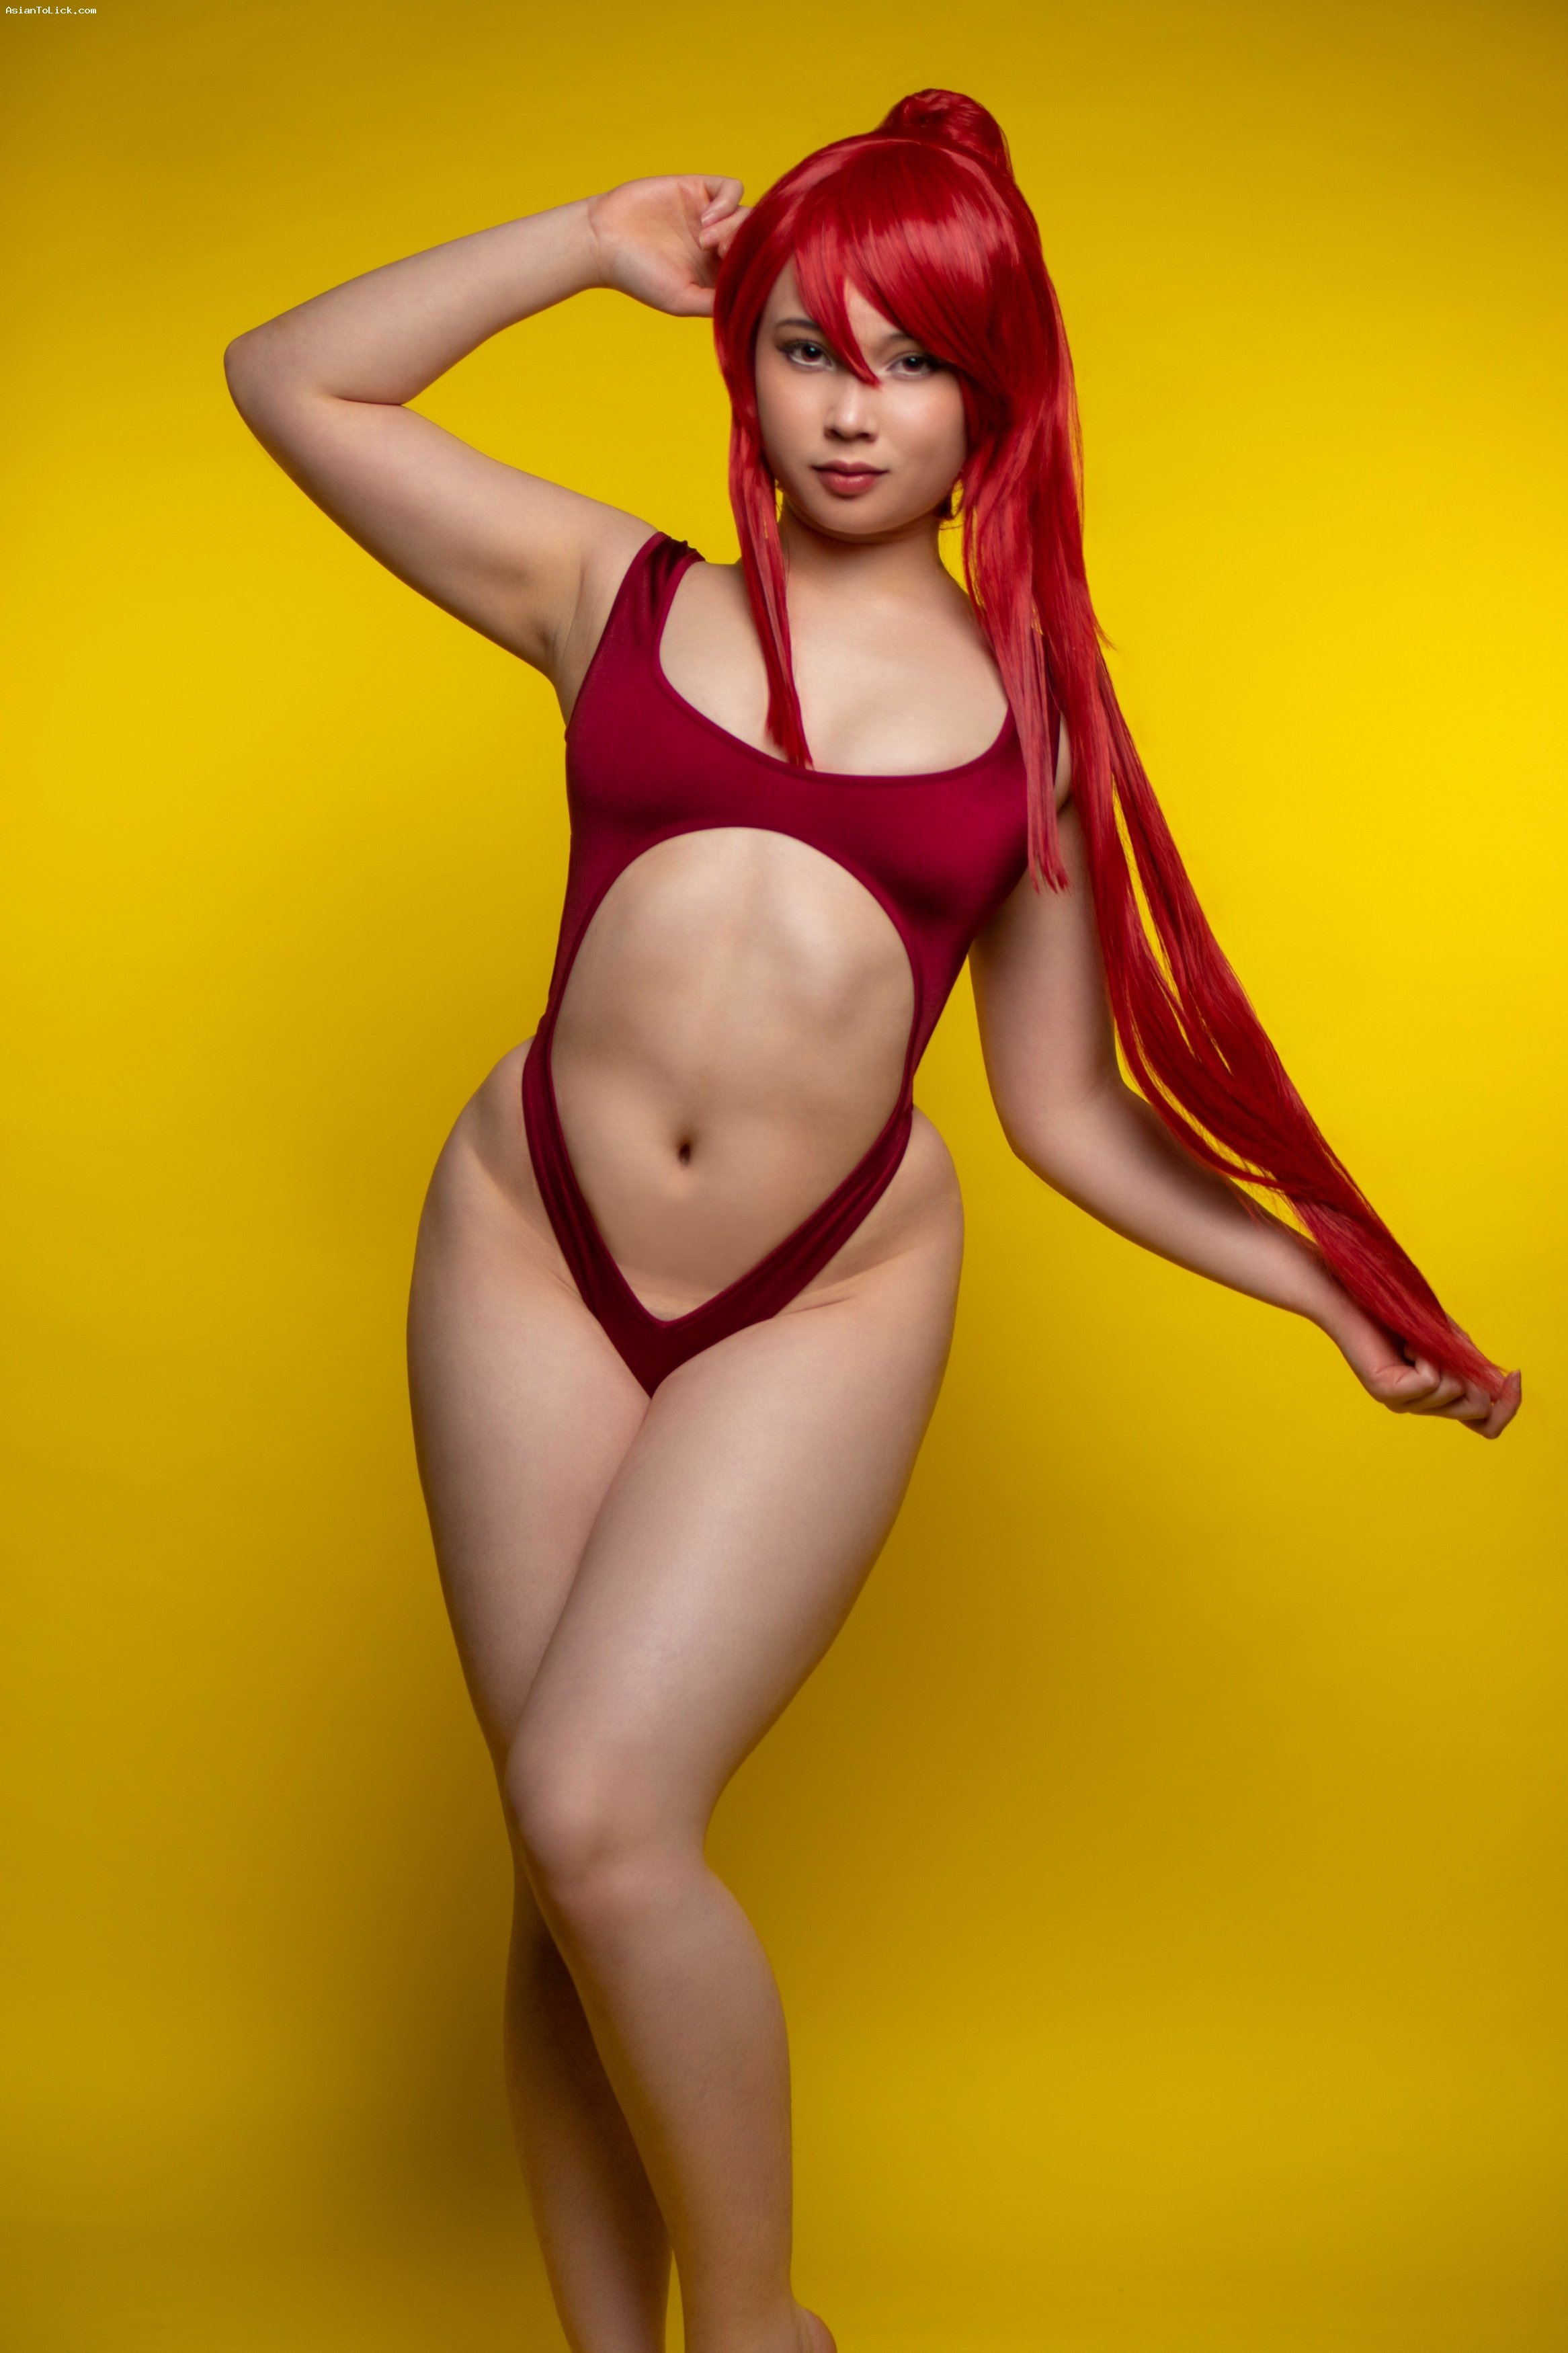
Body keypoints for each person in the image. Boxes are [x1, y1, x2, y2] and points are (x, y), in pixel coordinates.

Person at [223, 88, 1519, 2353]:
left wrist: (1318, 1285)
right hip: (532, 1244)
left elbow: (1062, 1110)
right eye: (810, 346)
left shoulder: (1030, 722)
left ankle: (760, 2330)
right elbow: (290, 380)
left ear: (994, 403)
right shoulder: (609, 592)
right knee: (560, 1863)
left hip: (809, 1300)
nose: (851, 409)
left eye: (914, 364)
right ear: (745, 361)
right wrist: (582, 241)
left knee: (606, 1807)